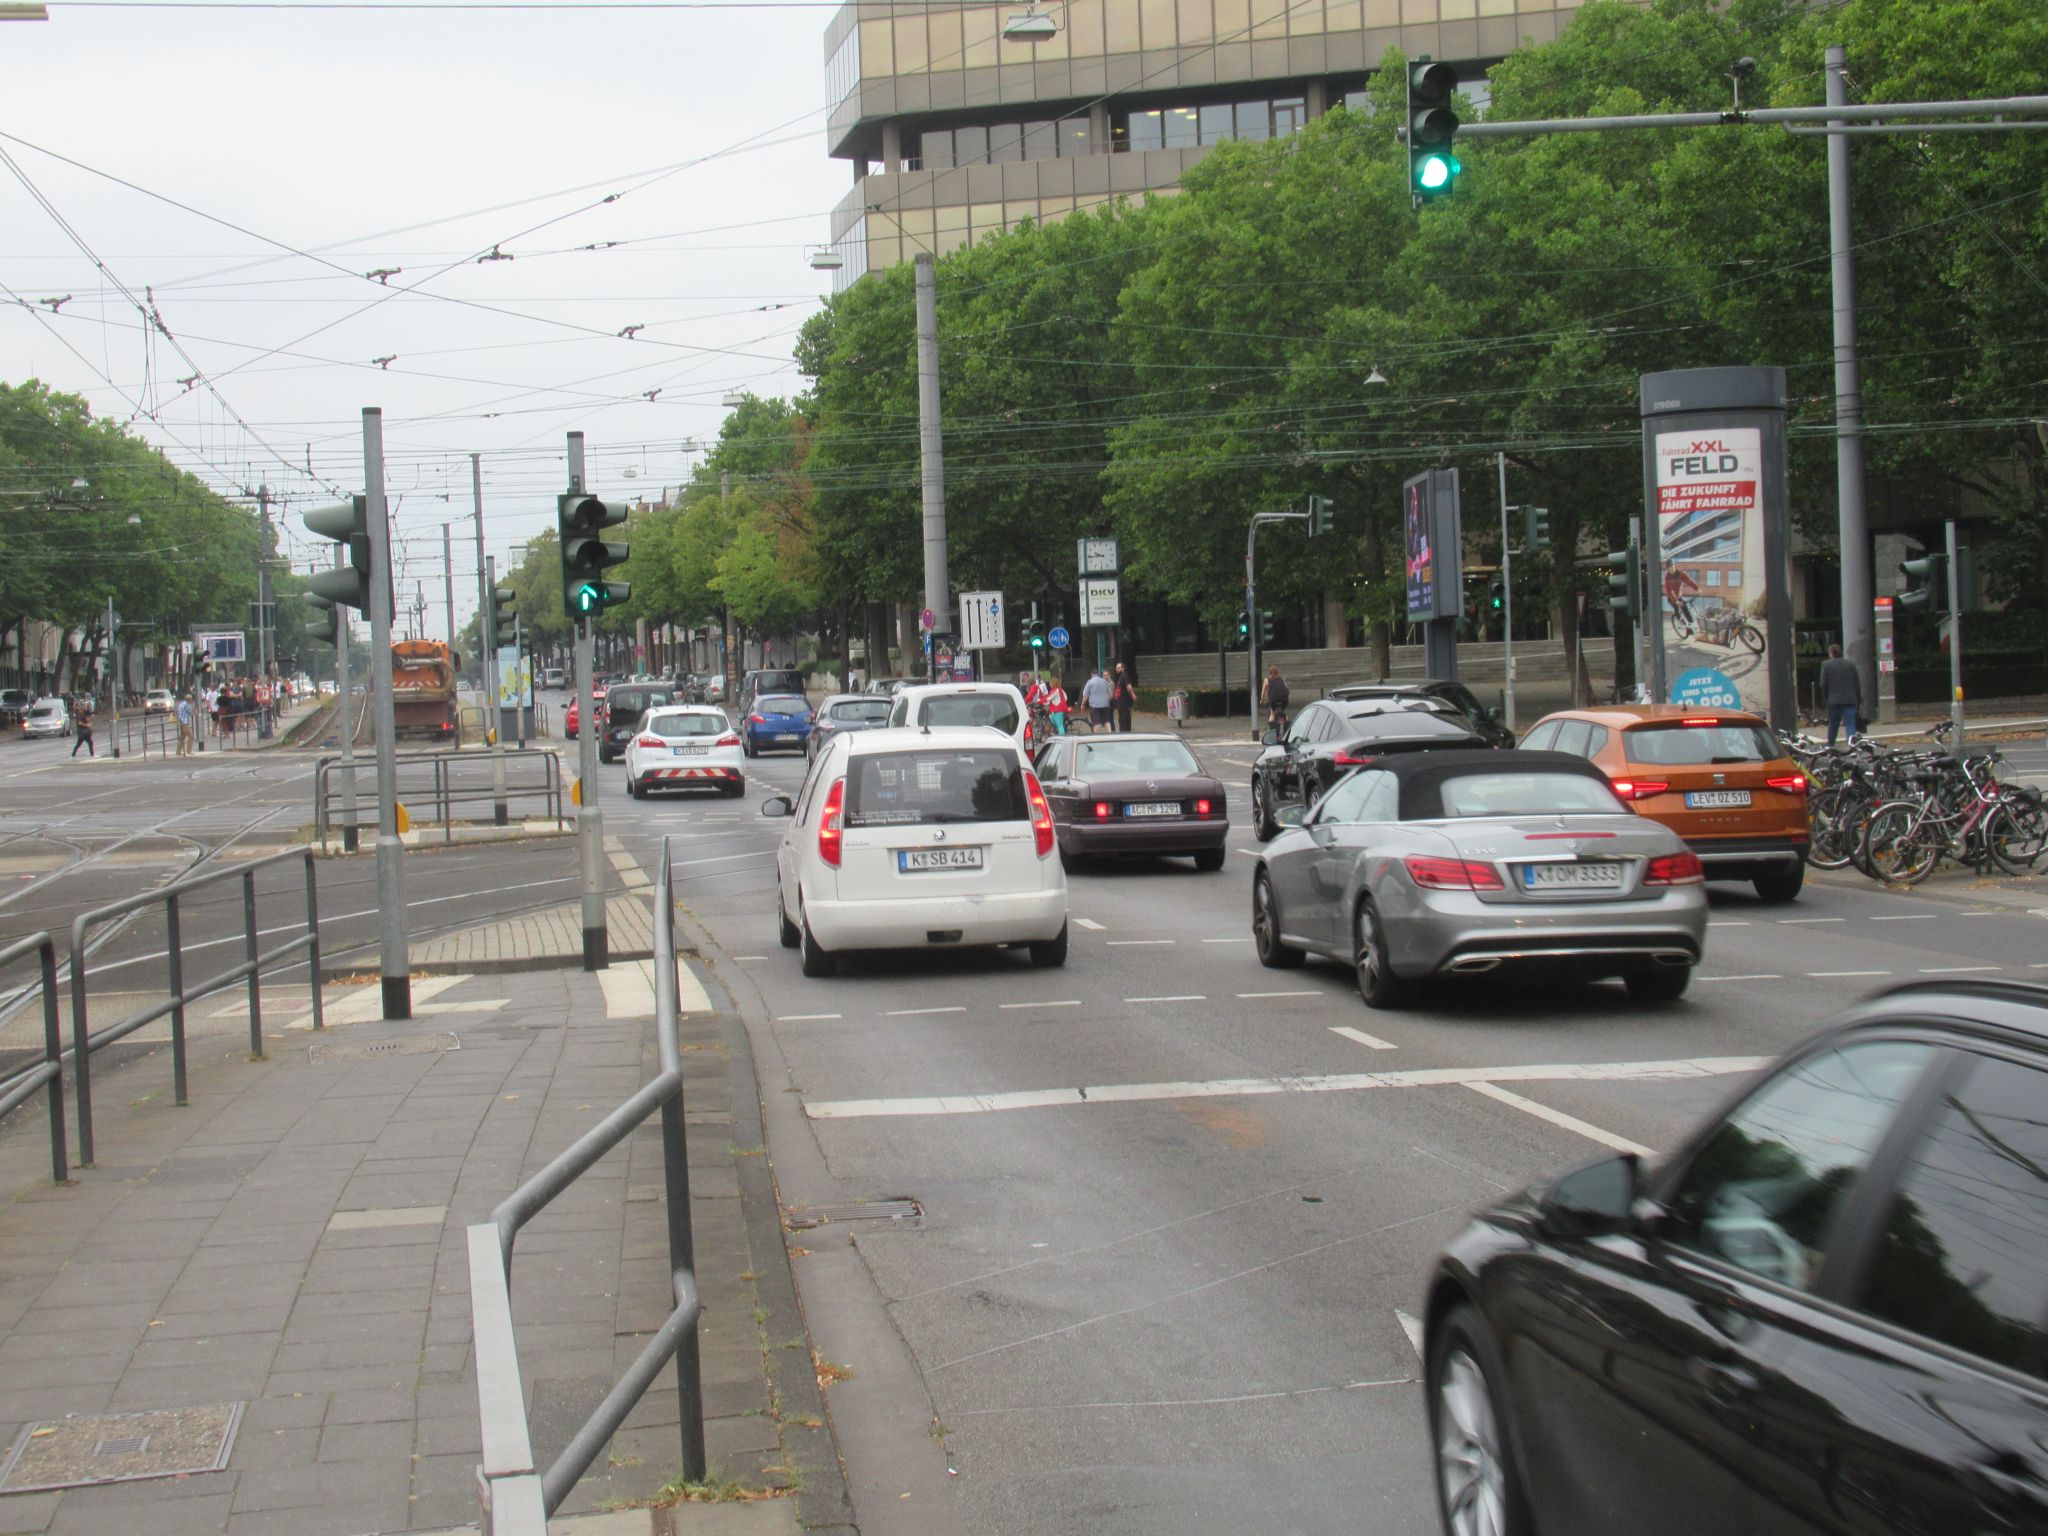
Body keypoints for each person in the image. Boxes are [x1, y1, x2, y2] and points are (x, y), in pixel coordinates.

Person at [1819, 643, 1862, 745]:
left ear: (1831, 653)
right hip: (1850, 700)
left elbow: (1823, 684)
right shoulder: (1850, 664)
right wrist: (1858, 699)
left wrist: (1825, 698)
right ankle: (1852, 744)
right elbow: (1857, 683)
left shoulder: (1826, 665)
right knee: (1850, 724)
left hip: (1833, 700)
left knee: (1833, 724)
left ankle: (1830, 745)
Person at [1260, 663, 1290, 737]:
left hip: (1274, 699)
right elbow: (1286, 688)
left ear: (1269, 673)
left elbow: (1263, 692)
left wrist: (1262, 700)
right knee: (1284, 713)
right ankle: (1287, 728)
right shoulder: (1281, 678)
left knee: (1272, 713)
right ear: (1277, 672)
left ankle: (1271, 732)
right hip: (1284, 699)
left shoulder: (1267, 680)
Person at [1080, 668, 1112, 733]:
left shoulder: (1090, 682)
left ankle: (1095, 735)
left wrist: (1082, 704)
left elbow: (1085, 695)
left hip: (1094, 705)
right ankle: (1110, 732)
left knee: (1097, 722)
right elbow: (1110, 693)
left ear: (1091, 674)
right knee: (1106, 721)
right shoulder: (1104, 681)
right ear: (1098, 674)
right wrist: (1107, 701)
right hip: (1105, 704)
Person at [1112, 663, 1135, 733]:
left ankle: (1124, 733)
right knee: (1124, 718)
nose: (1116, 669)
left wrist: (1132, 694)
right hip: (1122, 702)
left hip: (1124, 702)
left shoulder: (1125, 676)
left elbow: (1129, 687)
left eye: (1118, 668)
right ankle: (1126, 733)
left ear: (1123, 668)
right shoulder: (1121, 677)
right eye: (1116, 668)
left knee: (1123, 719)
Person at [70, 693, 95, 758]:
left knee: (82, 743)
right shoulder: (80, 714)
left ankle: (73, 755)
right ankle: (92, 755)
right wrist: (87, 725)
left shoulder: (83, 713)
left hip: (84, 732)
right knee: (85, 743)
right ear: (81, 707)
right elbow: (80, 723)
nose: (85, 706)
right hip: (83, 732)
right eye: (84, 706)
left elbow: (89, 713)